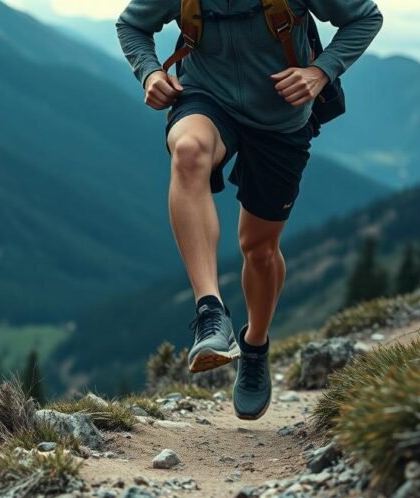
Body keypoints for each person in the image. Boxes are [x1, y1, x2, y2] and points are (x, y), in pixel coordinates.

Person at [117, 0, 381, 420]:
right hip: (206, 97)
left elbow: (366, 17)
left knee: (258, 249)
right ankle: (210, 313)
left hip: (281, 118)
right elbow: (132, 25)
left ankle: (255, 346)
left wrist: (320, 71)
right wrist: (149, 72)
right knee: (187, 151)